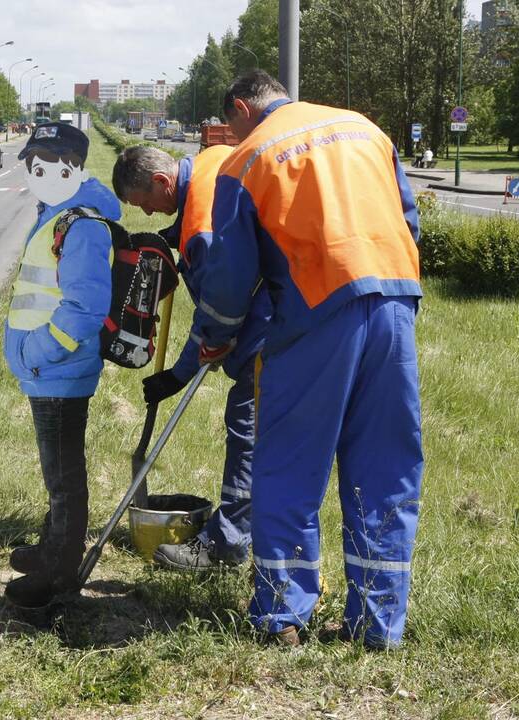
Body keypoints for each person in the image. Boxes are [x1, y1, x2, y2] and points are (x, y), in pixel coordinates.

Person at [195, 70, 423, 648]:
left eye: (232, 120)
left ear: (243, 107)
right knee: (386, 464)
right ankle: (377, 623)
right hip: (394, 302)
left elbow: (229, 276)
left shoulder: (245, 159)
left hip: (318, 311)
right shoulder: (366, 130)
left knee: (289, 462)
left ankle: (282, 615)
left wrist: (215, 335)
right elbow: (408, 220)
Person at [111, 144, 272, 572]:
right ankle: (261, 540)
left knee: (247, 431)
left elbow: (217, 316)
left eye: (144, 203)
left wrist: (179, 375)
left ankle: (227, 545)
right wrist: (174, 235)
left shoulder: (199, 226)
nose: (146, 214)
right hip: (295, 305)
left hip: (270, 328)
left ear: (164, 182)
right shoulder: (212, 158)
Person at [2, 122, 121, 609]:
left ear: (72, 166)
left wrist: (38, 352)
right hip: (47, 370)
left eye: (48, 163)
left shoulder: (83, 223)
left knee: (64, 475)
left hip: (58, 369)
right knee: (57, 470)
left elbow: (85, 307)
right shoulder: (59, 212)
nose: (38, 172)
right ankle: (52, 547)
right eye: (33, 163)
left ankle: (60, 573)